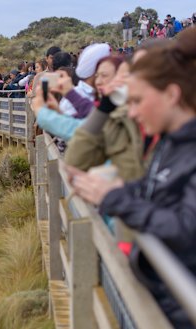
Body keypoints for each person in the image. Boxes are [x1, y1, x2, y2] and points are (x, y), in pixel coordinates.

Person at [68, 29, 196, 329]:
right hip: (159, 298)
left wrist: (116, 198)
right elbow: (156, 188)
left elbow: (187, 230)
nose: (133, 110)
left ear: (172, 93)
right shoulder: (170, 141)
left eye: (137, 99)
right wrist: (116, 189)